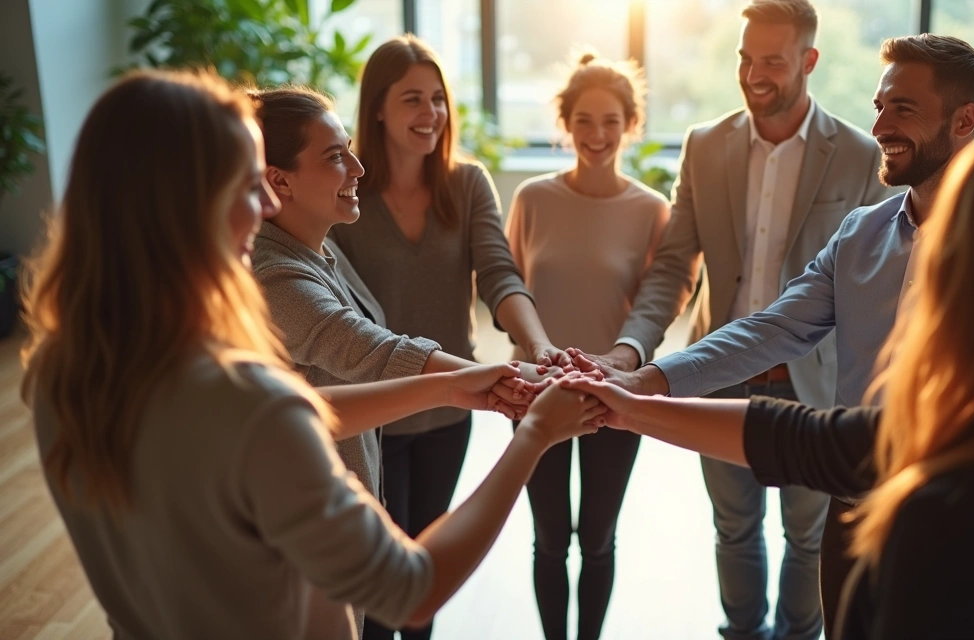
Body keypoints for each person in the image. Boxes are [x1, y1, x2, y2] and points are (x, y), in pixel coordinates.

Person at [21, 69, 604, 639]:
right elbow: (411, 590)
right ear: (189, 204)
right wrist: (533, 438)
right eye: (248, 183)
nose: (263, 205)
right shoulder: (255, 404)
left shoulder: (57, 373)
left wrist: (449, 387)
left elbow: (280, 415)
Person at [565, 120, 974, 639]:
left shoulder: (943, 514)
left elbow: (818, 443)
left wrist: (624, 404)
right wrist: (626, 401)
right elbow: (807, 438)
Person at [575, 33, 974, 635]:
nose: (880, 126)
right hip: (853, 504)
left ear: (964, 120)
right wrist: (648, 378)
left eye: (903, 108)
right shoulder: (861, 236)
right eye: (879, 106)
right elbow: (771, 329)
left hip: (959, 513)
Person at [249, 85, 549, 635]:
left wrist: (516, 372)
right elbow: (367, 348)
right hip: (309, 528)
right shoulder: (274, 274)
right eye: (335, 156)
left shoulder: (317, 243)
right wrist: (518, 382)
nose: (357, 168)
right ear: (279, 181)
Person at [327, 35, 568, 640]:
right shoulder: (344, 195)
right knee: (378, 582)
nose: (431, 113)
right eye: (413, 99)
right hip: (371, 413)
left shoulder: (467, 184)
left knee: (426, 574)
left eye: (438, 99)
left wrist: (538, 347)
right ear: (376, 108)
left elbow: (499, 274)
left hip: (449, 410)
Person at [504, 52, 669, 640]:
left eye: (610, 122)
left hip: (612, 397)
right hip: (534, 394)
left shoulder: (652, 210)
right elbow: (508, 290)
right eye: (583, 121)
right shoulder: (531, 199)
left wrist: (621, 368)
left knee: (598, 540)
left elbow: (658, 305)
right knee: (549, 540)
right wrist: (534, 353)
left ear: (631, 125)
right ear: (565, 123)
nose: (596, 135)